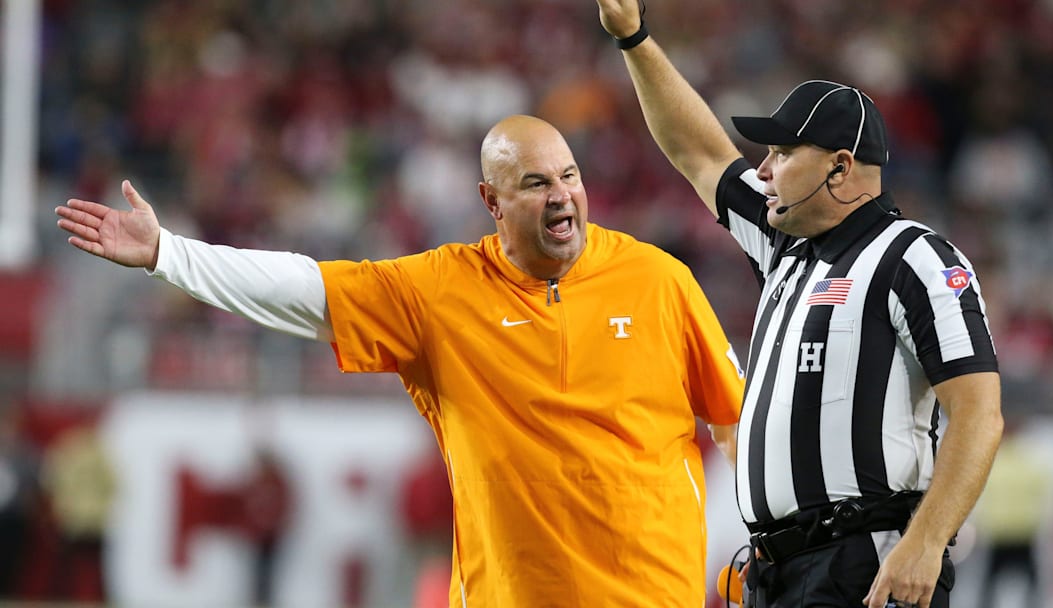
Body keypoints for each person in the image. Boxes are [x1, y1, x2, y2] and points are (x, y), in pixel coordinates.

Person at [56, 114, 746, 607]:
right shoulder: (440, 291)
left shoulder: (658, 279)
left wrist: (765, 542)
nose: (562, 195)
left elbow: (739, 422)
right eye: (536, 183)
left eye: (569, 176)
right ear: (492, 202)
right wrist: (169, 255)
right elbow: (306, 288)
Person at [595, 3, 1003, 608]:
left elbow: (978, 415)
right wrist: (634, 37)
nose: (763, 168)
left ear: (840, 169)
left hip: (865, 561)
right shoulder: (784, 245)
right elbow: (699, 154)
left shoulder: (914, 258)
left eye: (783, 153)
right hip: (778, 569)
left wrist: (927, 541)